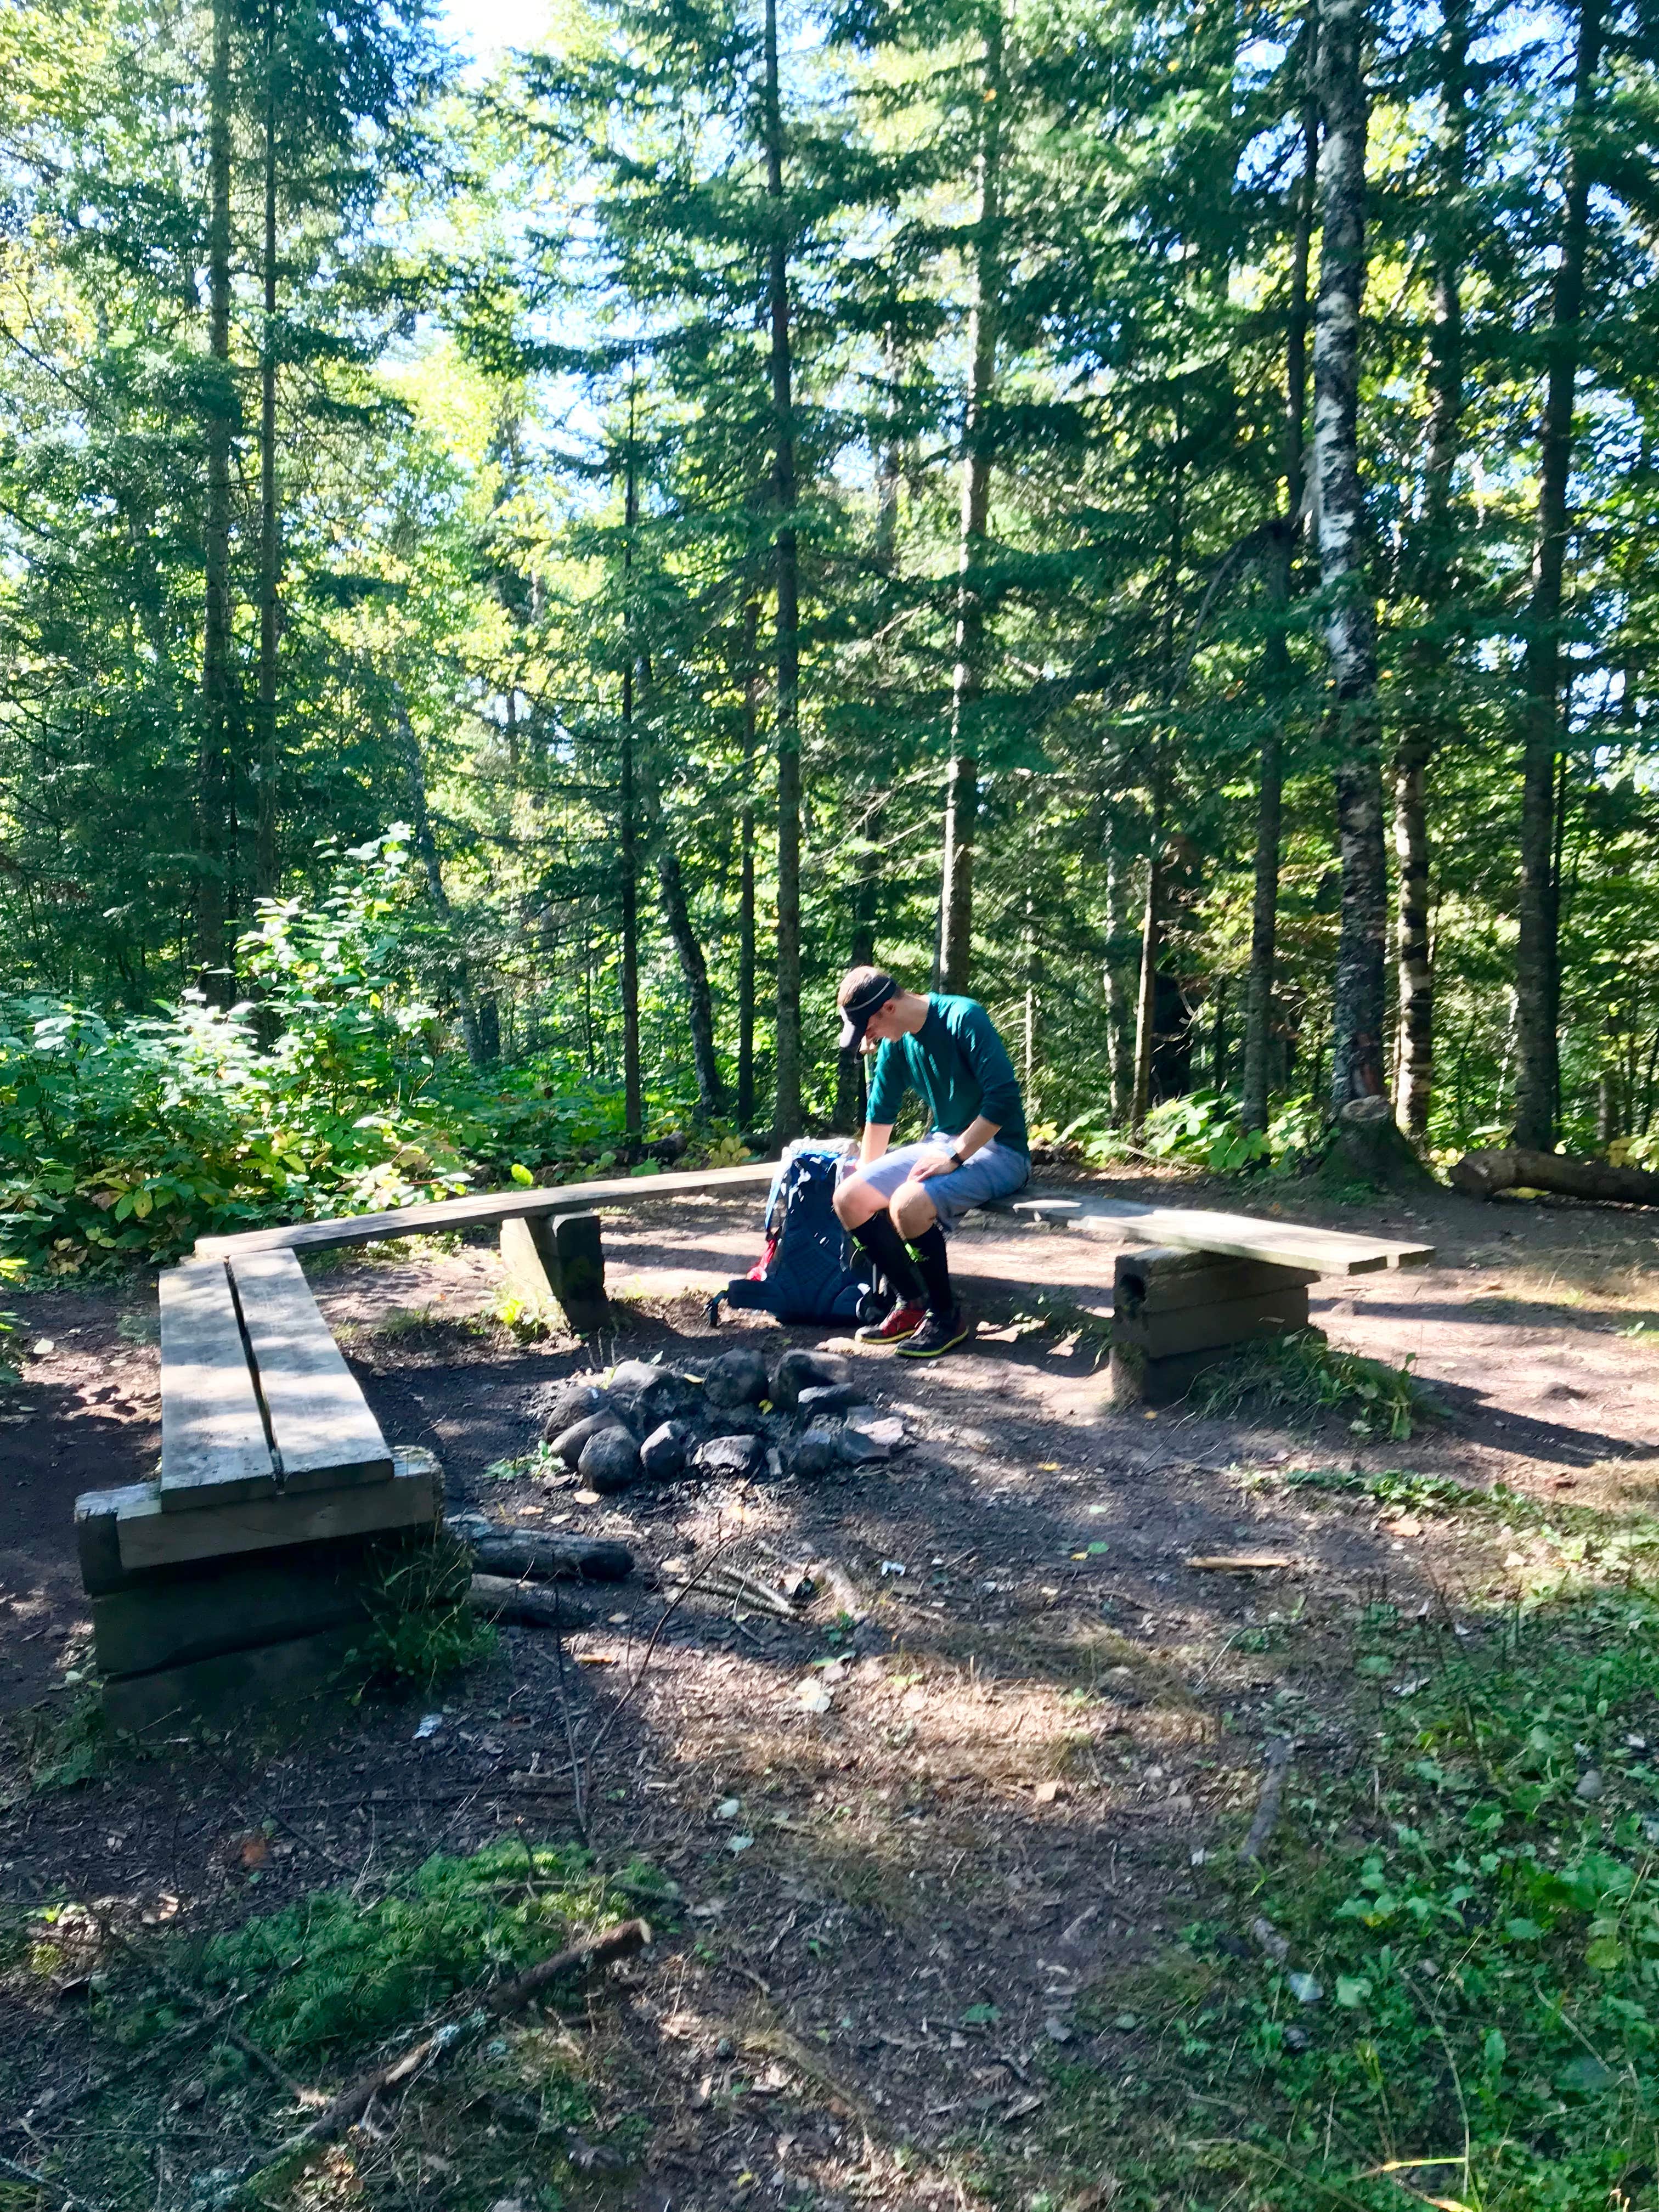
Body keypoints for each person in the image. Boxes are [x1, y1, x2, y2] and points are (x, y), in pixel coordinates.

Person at [831, 965, 1030, 1358]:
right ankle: (912, 1303)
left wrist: (955, 1157)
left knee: (908, 1203)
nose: (867, 1041)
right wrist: (868, 1179)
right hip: (942, 1143)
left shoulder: (963, 1017)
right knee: (849, 1197)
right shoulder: (897, 1043)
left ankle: (946, 1316)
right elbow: (880, 1114)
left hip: (1001, 1150)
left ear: (888, 1007)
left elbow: (1003, 1100)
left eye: (867, 1029)